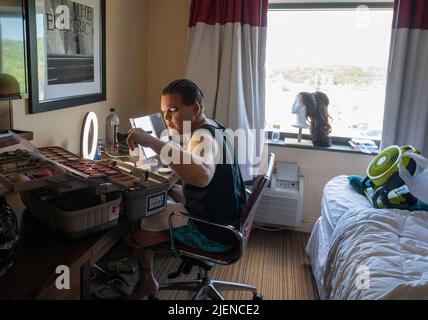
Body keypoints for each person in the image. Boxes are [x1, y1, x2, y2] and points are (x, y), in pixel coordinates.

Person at [126, 79, 247, 299]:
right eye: (164, 112)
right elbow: (209, 189)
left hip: (213, 233)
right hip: (227, 221)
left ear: (196, 108)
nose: (167, 118)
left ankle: (147, 281)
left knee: (140, 223)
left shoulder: (202, 136)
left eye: (173, 110)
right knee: (167, 197)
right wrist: (173, 189)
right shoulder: (216, 127)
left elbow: (201, 176)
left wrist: (151, 141)